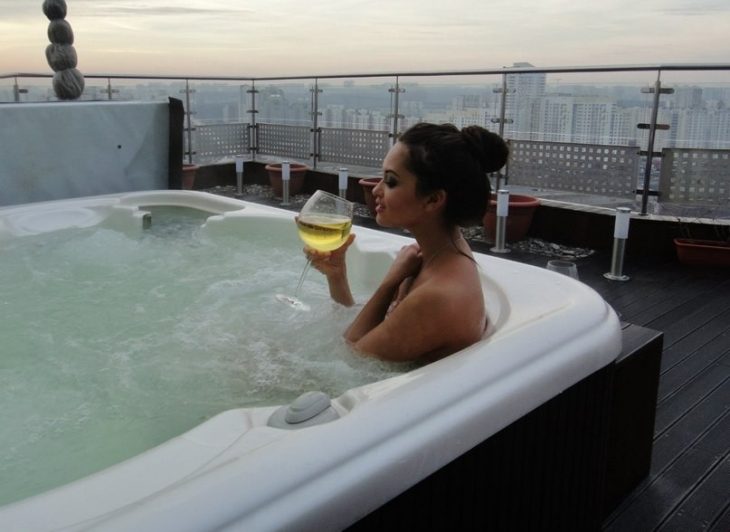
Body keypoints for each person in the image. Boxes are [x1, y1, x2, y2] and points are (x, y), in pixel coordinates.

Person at [306, 122, 509, 363]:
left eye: (391, 181)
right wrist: (337, 275)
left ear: (433, 199)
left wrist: (390, 282)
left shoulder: (438, 296)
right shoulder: (441, 253)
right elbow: (367, 333)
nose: (376, 190)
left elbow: (349, 359)